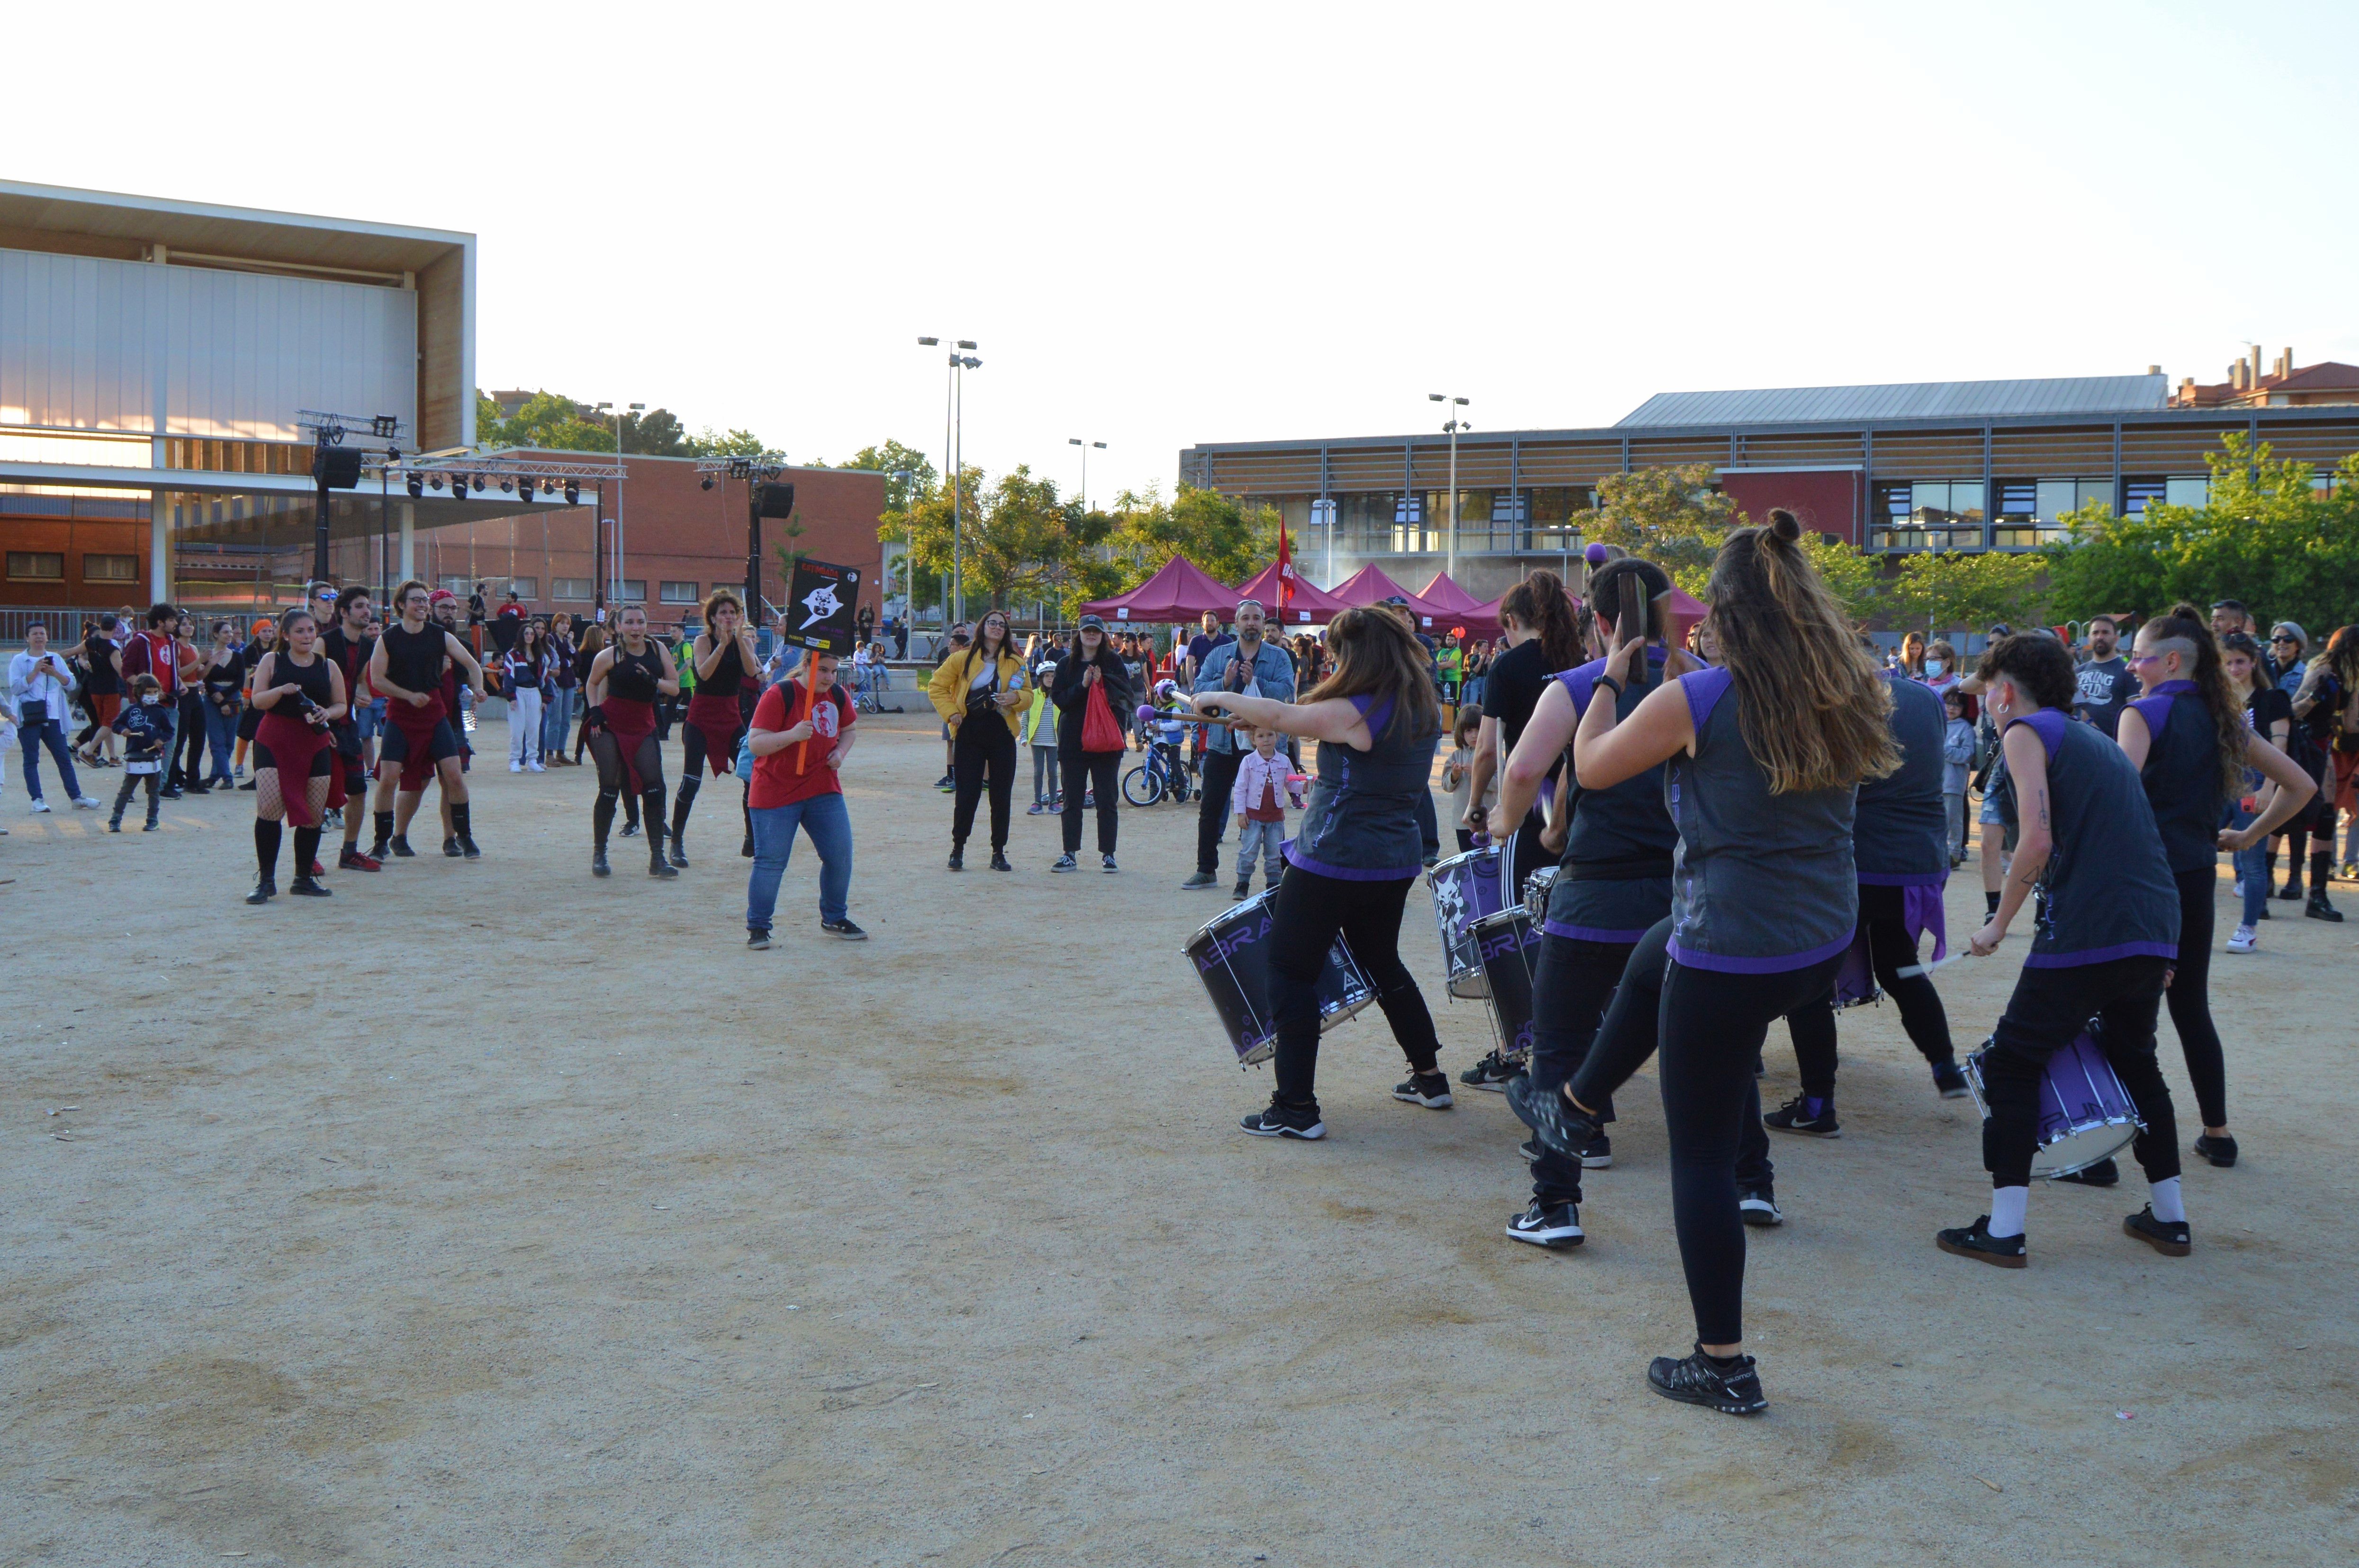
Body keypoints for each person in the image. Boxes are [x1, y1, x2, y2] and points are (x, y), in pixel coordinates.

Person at [1520, 509, 1895, 1416]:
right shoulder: (1848, 688)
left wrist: (1612, 681)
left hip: (1733, 950)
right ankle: (1575, 1106)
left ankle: (1721, 1361)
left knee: (1698, 1156)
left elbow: (1595, 769)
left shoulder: (1697, 698)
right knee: (1657, 948)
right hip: (1816, 944)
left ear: (1725, 613)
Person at [1936, 631, 2198, 1275]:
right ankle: (2170, 1216)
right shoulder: (2095, 740)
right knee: (2137, 1059)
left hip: (2092, 926)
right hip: (2152, 921)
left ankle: (2004, 1230)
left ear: (2003, 692)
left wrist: (1998, 922)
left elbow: (2038, 839)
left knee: (2013, 1062)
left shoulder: (2027, 731)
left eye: (1989, 693)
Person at [1494, 554, 1697, 1242]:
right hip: (1679, 896)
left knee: (1557, 1048)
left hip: (1596, 895)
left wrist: (1506, 820)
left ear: (1602, 621)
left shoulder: (1577, 686)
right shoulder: (1704, 686)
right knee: (1703, 1048)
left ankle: (1556, 1203)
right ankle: (1751, 1180)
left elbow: (1524, 766)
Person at [1187, 604, 1448, 1140]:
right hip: (1393, 858)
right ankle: (1429, 1076)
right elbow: (1298, 715)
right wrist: (1256, 716)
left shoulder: (1355, 710)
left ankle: (1296, 1107)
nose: (1332, 658)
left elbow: (1285, 716)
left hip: (1336, 857)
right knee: (1383, 963)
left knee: (1288, 970)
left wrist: (1213, 696)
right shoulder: (1420, 703)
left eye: (1339, 651)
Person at [2109, 609, 2316, 1174]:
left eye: (2140, 654)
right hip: (2197, 876)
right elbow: (2303, 785)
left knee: (2124, 1004)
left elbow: (2118, 800)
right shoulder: (2224, 718)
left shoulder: (2142, 713)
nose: (2131, 663)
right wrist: (2248, 835)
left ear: (2171, 661)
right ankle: (2217, 1131)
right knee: (2190, 1006)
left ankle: (2110, 1136)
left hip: (2145, 880)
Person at [1771, 645, 1969, 1138]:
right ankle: (1944, 1064)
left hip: (1858, 861)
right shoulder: (1925, 698)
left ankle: (1818, 1102)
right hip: (1916, 863)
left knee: (1809, 982)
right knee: (1901, 967)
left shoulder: (1841, 699)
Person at [1457, 569, 1588, 1088]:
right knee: (1572, 928)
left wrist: (1477, 806)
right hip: (1579, 806)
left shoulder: (1507, 666)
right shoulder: (1578, 659)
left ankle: (1516, 1054)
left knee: (1517, 931)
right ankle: (1583, 1041)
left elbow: (1488, 750)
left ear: (1511, 621)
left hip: (1530, 810)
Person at [363, 581, 490, 862]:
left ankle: (464, 836)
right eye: (416, 601)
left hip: (434, 715)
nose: (422, 605)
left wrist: (479, 687)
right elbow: (377, 679)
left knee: (454, 776)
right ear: (401, 605)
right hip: (401, 715)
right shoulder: (389, 638)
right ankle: (382, 841)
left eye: (424, 600)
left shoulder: (439, 636)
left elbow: (471, 665)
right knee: (388, 779)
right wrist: (408, 695)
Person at [744, 647, 864, 945]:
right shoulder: (779, 694)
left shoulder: (837, 695)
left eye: (834, 671)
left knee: (840, 856)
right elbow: (756, 743)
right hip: (776, 790)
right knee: (771, 862)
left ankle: (834, 917)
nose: (830, 677)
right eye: (823, 670)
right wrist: (792, 735)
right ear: (807, 666)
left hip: (823, 787)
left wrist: (840, 752)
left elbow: (849, 729)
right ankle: (759, 926)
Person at [1183, 599, 1297, 890]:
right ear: (1235, 624)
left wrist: (1255, 681)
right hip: (1223, 743)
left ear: (1263, 623)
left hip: (1265, 746)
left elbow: (1286, 694)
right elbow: (1198, 692)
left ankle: (1276, 877)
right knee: (1211, 806)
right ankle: (1206, 869)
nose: (1251, 623)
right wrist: (1225, 682)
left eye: (1257, 618)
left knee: (1272, 810)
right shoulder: (1219, 655)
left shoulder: (1280, 657)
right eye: (1245, 618)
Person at [243, 605, 349, 903]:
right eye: (300, 631)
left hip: (313, 741)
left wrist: (326, 712)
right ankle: (266, 881)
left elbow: (341, 704)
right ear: (285, 635)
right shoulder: (271, 660)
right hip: (274, 739)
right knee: (269, 810)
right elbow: (258, 701)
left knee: (314, 815)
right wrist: (281, 692)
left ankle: (303, 878)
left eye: (311, 630)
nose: (307, 636)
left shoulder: (328, 666)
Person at [581, 604, 681, 878]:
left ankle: (657, 858)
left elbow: (675, 687)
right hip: (612, 724)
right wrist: (595, 710)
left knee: (655, 788)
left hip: (643, 722)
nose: (636, 628)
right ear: (619, 627)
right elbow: (592, 683)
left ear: (647, 625)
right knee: (610, 788)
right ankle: (600, 853)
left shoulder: (658, 650)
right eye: (630, 623)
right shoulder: (609, 655)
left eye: (640, 622)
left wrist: (654, 681)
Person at [929, 609, 1028, 872]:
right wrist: (951, 713)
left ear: (1006, 632)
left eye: (1002, 625)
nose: (996, 628)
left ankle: (998, 853)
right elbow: (936, 686)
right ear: (982, 627)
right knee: (967, 794)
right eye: (992, 623)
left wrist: (1016, 698)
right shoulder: (962, 659)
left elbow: (1029, 693)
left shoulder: (1016, 662)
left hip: (1002, 731)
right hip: (969, 731)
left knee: (1001, 795)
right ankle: (958, 848)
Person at [673, 590, 758, 867]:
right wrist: (721, 645)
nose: (729, 617)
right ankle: (676, 841)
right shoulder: (702, 641)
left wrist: (740, 641)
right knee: (691, 781)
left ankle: (751, 837)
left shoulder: (744, 642)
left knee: (752, 775)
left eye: (733, 613)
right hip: (701, 718)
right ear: (713, 617)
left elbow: (750, 672)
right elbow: (704, 674)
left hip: (731, 717)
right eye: (723, 613)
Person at [1049, 614, 1133, 871]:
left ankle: (1109, 854)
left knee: (1106, 799)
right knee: (1072, 799)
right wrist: (1084, 685)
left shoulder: (1114, 662)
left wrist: (1103, 684)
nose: (1092, 635)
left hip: (1107, 741)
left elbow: (1126, 698)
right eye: (1087, 631)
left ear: (1103, 636)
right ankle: (1070, 853)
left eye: (1096, 631)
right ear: (1080, 635)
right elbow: (1059, 699)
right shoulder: (1066, 664)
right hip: (1073, 741)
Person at [2285, 629, 2350, 920]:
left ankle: (2318, 896)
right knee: (2295, 816)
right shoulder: (2323, 669)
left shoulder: (2346, 675)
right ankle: (2287, 889)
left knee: (2325, 817)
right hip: (2307, 747)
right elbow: (2291, 710)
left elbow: (2349, 723)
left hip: (2324, 748)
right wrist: (2314, 697)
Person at [318, 589, 381, 872]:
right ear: (343, 613)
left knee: (358, 791)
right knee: (317, 793)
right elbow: (311, 681)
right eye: (359, 607)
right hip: (322, 726)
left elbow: (359, 680)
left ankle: (349, 852)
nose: (366, 611)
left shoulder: (368, 646)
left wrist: (362, 694)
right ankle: (307, 856)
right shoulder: (325, 642)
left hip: (347, 726)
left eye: (367, 606)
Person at [10, 624, 100, 813]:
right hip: (29, 717)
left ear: (47, 637)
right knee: (31, 759)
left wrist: (54, 673)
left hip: (53, 716)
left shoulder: (57, 659)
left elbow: (71, 684)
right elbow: (16, 688)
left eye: (42, 633)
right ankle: (37, 800)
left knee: (63, 758)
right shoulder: (19, 660)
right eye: (34, 634)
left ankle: (76, 797)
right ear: (27, 638)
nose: (39, 637)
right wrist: (35, 671)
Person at [1229, 726, 1301, 897]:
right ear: (1253, 740)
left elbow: (1291, 783)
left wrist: (1304, 787)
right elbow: (1240, 788)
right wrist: (1241, 813)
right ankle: (1242, 884)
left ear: (1277, 737)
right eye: (1261, 736)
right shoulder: (1248, 761)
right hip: (1253, 816)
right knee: (1249, 851)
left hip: (1275, 817)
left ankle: (1274, 887)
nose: (1266, 739)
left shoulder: (1284, 761)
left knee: (1274, 854)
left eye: (1270, 735)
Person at [105, 673, 171, 832]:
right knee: (126, 792)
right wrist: (124, 730)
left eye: (155, 692)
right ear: (139, 693)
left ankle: (152, 820)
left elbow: (169, 731)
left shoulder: (160, 712)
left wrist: (161, 740)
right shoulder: (132, 710)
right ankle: (115, 820)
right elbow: (116, 725)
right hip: (135, 755)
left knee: (153, 792)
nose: (152, 696)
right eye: (148, 692)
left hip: (153, 756)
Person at [231, 617, 279, 786]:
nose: (268, 634)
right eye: (264, 631)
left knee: (262, 733)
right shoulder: (251, 650)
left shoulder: (275, 649)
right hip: (253, 694)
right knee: (245, 732)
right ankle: (239, 765)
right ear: (257, 633)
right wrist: (246, 693)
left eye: (270, 631)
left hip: (269, 694)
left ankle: (260, 770)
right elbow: (245, 674)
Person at [196, 620, 243, 789]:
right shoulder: (209, 655)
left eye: (231, 632)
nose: (230, 635)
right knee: (217, 741)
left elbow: (240, 681)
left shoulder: (237, 656)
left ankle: (215, 775)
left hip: (232, 698)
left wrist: (223, 697)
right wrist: (218, 698)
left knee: (229, 742)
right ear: (216, 634)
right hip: (212, 699)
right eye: (225, 632)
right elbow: (205, 678)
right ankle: (227, 777)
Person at [75, 613, 126, 767]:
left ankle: (113, 757)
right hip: (110, 689)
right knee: (110, 723)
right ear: (115, 628)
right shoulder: (113, 646)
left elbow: (73, 653)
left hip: (94, 689)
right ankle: (88, 752)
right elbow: (120, 671)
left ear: (101, 626)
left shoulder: (91, 642)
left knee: (105, 723)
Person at [2071, 614, 2134, 736]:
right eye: (2095, 633)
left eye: (2105, 633)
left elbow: (2135, 713)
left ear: (2116, 638)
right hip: (2079, 742)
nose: (2100, 637)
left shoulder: (2127, 671)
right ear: (2089, 638)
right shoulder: (2078, 672)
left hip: (2111, 745)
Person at [503, 619, 550, 773]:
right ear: (522, 635)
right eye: (527, 633)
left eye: (532, 634)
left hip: (534, 692)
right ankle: (515, 760)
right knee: (517, 729)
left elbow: (545, 678)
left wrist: (545, 699)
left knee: (534, 728)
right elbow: (509, 676)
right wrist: (511, 697)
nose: (529, 636)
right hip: (518, 691)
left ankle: (532, 760)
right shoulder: (512, 655)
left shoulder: (540, 657)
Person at [1441, 708, 1490, 853]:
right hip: (1461, 818)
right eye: (1469, 731)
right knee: (1465, 855)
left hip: (1483, 819)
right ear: (1461, 733)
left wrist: (1478, 773)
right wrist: (1454, 776)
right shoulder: (1456, 757)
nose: (1475, 735)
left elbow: (1500, 784)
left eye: (1478, 730)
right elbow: (1446, 786)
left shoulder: (1490, 756)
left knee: (1481, 856)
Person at [1025, 648, 1062, 815]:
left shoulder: (1061, 696)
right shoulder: (1033, 696)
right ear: (1041, 678)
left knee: (1053, 771)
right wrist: (1024, 736)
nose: (1050, 679)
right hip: (1037, 740)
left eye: (1053, 676)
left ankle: (1054, 801)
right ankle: (1037, 801)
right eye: (1047, 676)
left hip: (1055, 741)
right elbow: (1026, 716)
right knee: (1038, 771)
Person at [1941, 688, 1975, 865]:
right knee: (1938, 820)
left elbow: (1968, 755)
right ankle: (1940, 852)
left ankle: (1954, 853)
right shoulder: (1938, 723)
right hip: (1936, 782)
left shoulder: (1966, 729)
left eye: (1957, 705)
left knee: (1954, 819)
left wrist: (1945, 750)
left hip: (1954, 782)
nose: (1952, 708)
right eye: (1949, 703)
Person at [542, 613, 578, 765]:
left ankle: (561, 752)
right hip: (557, 682)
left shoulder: (566, 640)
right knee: (555, 719)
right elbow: (553, 661)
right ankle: (550, 753)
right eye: (562, 623)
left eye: (567, 623)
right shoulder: (551, 639)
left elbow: (578, 659)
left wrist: (571, 645)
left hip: (569, 682)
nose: (565, 626)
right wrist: (567, 663)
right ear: (555, 625)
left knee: (566, 720)